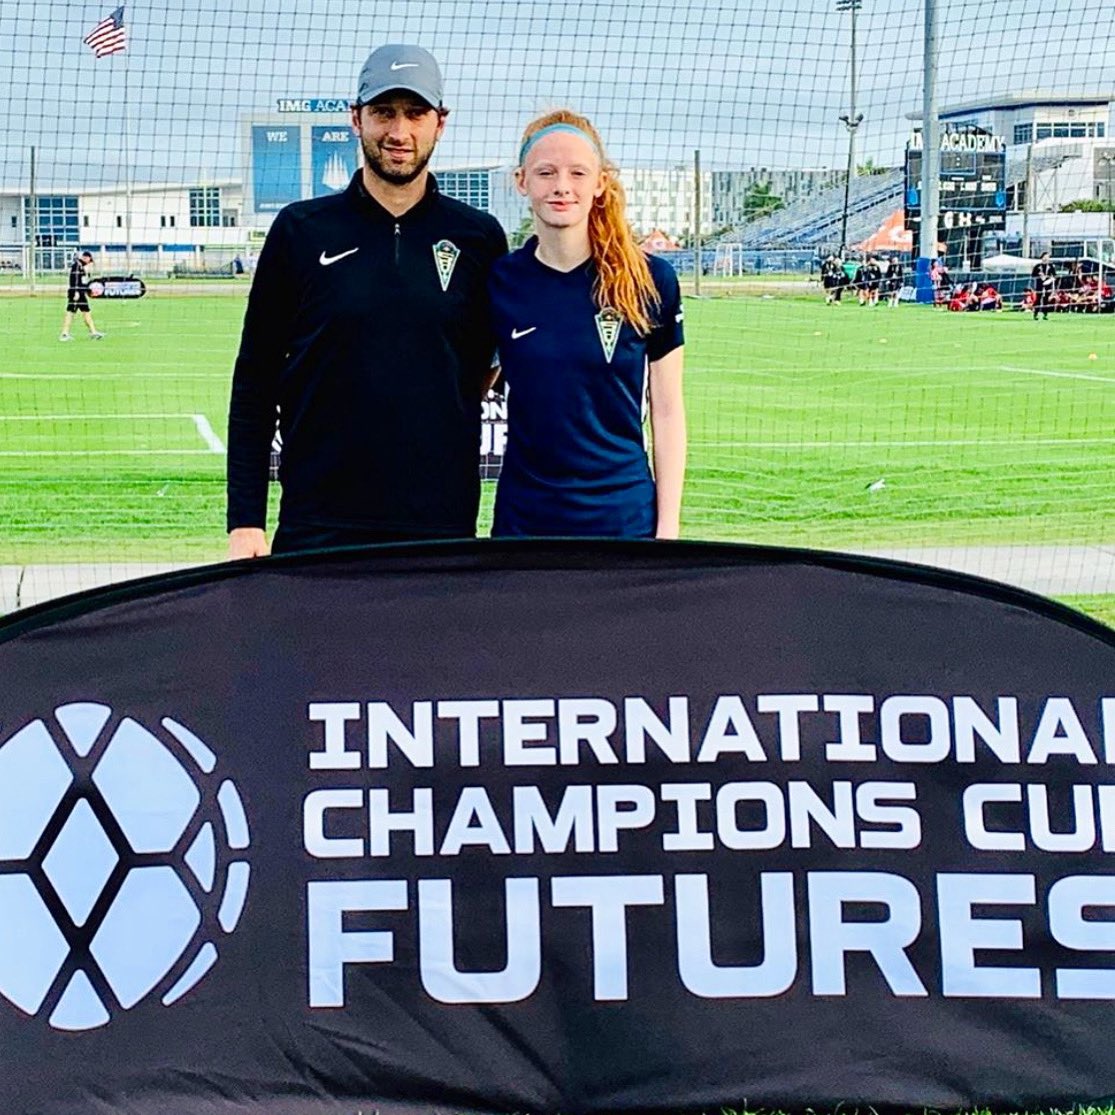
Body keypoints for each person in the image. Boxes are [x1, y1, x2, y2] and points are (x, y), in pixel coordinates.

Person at [226, 44, 508, 557]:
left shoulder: (479, 237)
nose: (399, 132)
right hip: (318, 525)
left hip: (440, 525)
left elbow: (491, 365)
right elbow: (255, 380)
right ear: (356, 119)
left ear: (439, 123)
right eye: (383, 112)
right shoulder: (300, 230)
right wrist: (245, 519)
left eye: (415, 113)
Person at [488, 109, 686, 539]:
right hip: (526, 522)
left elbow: (668, 411)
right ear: (522, 181)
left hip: (623, 521)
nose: (562, 186)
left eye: (578, 173)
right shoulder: (500, 281)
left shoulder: (651, 279)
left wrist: (668, 528)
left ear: (600, 183)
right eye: (546, 172)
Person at [59, 250, 104, 340]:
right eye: (89, 260)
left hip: (81, 293)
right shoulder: (77, 266)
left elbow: (82, 282)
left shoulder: (81, 267)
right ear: (85, 258)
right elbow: (74, 280)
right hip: (77, 294)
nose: (89, 263)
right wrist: (76, 292)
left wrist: (88, 290)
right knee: (71, 312)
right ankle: (64, 333)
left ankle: (93, 332)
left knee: (85, 312)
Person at [1031, 252, 1057, 320]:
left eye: (1047, 257)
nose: (1046, 258)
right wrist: (1039, 275)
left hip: (1047, 285)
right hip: (1039, 285)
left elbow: (1054, 276)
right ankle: (1035, 314)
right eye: (1045, 257)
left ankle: (1045, 314)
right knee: (1038, 299)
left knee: (1046, 300)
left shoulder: (1051, 266)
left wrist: (1049, 280)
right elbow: (1033, 275)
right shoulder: (1037, 266)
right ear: (1042, 258)